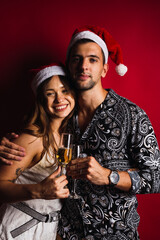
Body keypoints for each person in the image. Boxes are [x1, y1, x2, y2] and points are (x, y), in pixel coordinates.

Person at [1, 25, 160, 240]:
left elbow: (155, 178)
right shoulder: (64, 115)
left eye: (93, 59)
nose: (84, 66)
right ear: (69, 66)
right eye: (77, 59)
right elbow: (35, 142)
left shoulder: (131, 115)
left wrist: (108, 176)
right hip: (64, 234)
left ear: (104, 69)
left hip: (114, 234)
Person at [0, 63, 75, 240]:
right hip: (17, 229)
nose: (59, 99)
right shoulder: (32, 138)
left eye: (64, 90)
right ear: (41, 100)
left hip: (46, 229)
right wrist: (38, 190)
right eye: (50, 94)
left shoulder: (68, 136)